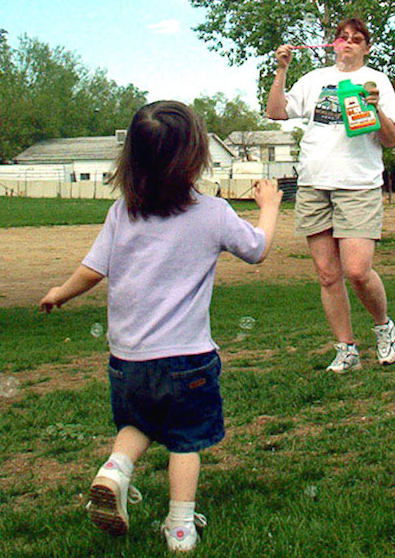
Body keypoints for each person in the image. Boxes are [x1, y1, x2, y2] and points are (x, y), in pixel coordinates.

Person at [40, 101, 282, 552]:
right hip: (187, 358)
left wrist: (59, 292)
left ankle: (114, 469)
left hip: (128, 357)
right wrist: (269, 205)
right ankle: (179, 527)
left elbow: (92, 271)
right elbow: (257, 249)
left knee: (137, 422)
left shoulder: (122, 213)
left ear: (132, 156)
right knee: (184, 442)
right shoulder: (211, 212)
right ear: (195, 156)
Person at [266, 17, 395, 373]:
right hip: (313, 184)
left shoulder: (378, 83)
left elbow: (390, 139)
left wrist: (376, 109)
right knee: (327, 275)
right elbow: (276, 112)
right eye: (342, 38)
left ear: (367, 48)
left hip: (358, 185)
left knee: (357, 270)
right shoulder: (314, 80)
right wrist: (281, 70)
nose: (348, 43)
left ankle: (383, 326)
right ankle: (346, 349)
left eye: (357, 39)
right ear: (334, 44)